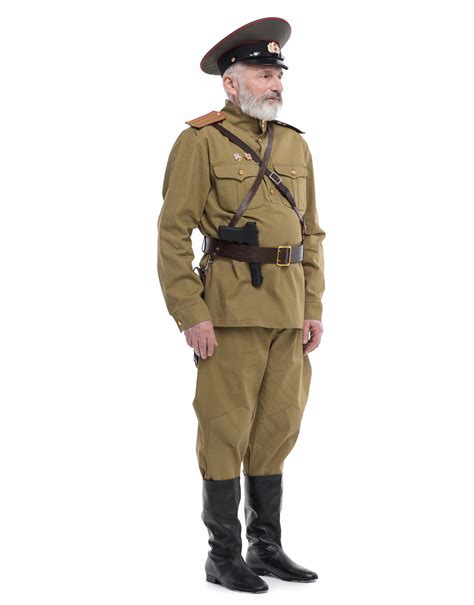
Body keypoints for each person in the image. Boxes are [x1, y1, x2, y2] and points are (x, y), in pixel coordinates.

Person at [157, 16, 326, 593]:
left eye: (277, 74)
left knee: (278, 426)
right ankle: (223, 555)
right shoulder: (200, 141)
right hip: (228, 313)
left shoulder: (295, 143)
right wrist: (191, 312)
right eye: (262, 74)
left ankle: (266, 547)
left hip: (288, 312)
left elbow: (312, 234)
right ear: (231, 83)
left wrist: (313, 306)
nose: (275, 83)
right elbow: (172, 233)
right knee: (225, 428)